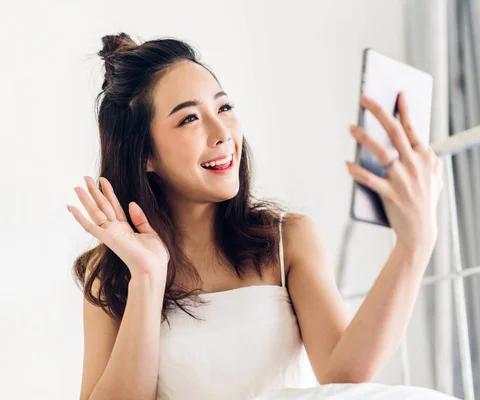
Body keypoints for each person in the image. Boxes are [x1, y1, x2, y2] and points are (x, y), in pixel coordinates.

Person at [67, 33, 444, 400]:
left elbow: (342, 377)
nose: (222, 133)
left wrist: (414, 245)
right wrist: (147, 279)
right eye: (189, 120)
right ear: (145, 155)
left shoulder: (286, 239)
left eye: (224, 108)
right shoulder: (111, 273)